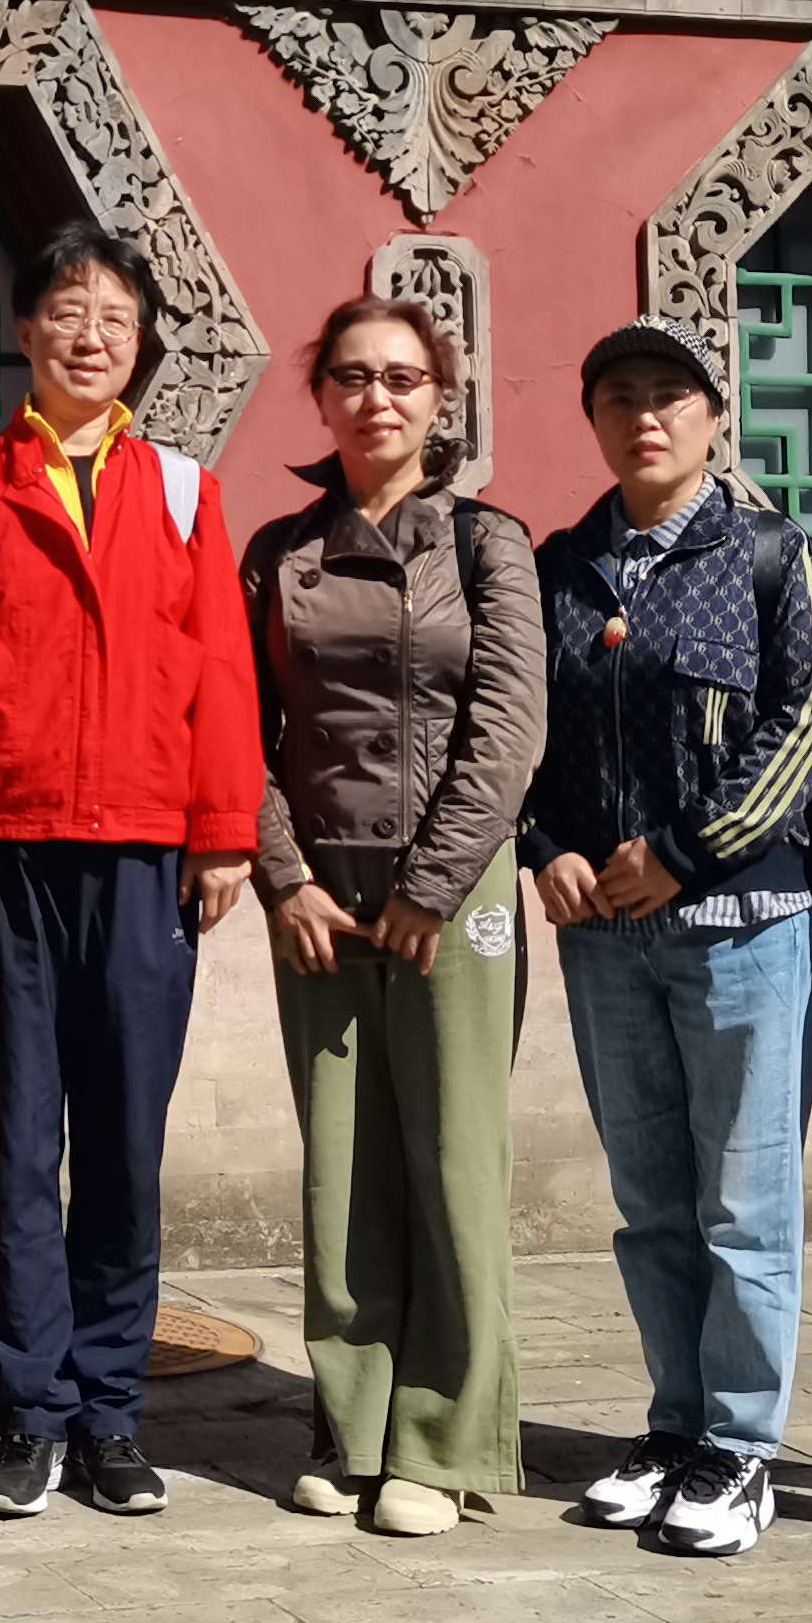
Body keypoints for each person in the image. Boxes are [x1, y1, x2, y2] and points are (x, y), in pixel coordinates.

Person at [0, 217, 264, 1520]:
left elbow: (223, 668)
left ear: (142, 342)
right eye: (67, 310)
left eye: (115, 315)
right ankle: (27, 1413)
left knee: (121, 1147)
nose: (90, 334)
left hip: (145, 861)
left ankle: (110, 1411)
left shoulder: (185, 491)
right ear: (26, 331)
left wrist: (224, 830)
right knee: (10, 1146)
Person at [523, 317, 812, 1562]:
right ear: (593, 422)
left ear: (714, 416)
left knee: (744, 1200)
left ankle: (741, 1446)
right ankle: (674, 1423)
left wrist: (687, 853)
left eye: (670, 395)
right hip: (606, 938)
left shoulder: (770, 555)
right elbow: (528, 733)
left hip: (741, 926)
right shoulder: (562, 568)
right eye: (620, 398)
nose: (645, 416)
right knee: (650, 1198)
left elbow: (803, 726)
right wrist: (546, 842)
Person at [240, 295, 545, 1539]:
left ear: (440, 399)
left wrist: (433, 884)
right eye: (354, 377)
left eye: (403, 378)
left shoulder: (486, 544)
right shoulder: (279, 551)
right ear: (321, 397)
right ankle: (352, 1426)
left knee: (454, 1158)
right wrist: (284, 878)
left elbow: (508, 725)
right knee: (345, 1164)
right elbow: (241, 727)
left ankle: (444, 1441)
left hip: (452, 896)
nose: (377, 398)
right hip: (322, 895)